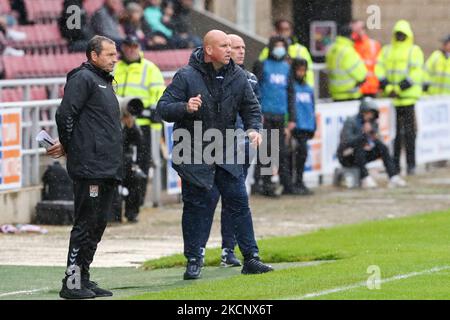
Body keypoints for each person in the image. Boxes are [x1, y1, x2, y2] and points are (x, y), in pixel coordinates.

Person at [156, 29, 274, 280]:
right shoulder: (186, 76)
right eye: (224, 46)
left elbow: (251, 108)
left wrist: (254, 128)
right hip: (193, 149)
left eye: (230, 46)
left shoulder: (239, 76)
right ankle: (193, 259)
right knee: (196, 206)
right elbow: (163, 109)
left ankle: (251, 257)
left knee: (239, 203)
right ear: (209, 50)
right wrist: (185, 107)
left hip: (226, 148)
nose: (229, 50)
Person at [48, 35, 122, 299]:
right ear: (93, 55)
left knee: (98, 224)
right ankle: (72, 282)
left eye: (116, 54)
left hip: (107, 167)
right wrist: (70, 146)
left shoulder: (103, 81)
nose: (115, 58)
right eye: (110, 54)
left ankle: (84, 277)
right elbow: (65, 114)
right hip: (90, 166)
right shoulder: (83, 79)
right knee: (85, 223)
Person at [199, 34, 261, 268]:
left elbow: (255, 109)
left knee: (235, 200)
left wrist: (253, 132)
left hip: (240, 147)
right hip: (215, 145)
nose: (240, 51)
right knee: (209, 198)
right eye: (234, 47)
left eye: (243, 47)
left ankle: (228, 250)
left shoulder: (250, 79)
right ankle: (199, 251)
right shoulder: (212, 77)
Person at [114, 35, 166, 210]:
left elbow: (160, 97)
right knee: (119, 162)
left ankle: (136, 203)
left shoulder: (150, 69)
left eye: (134, 46)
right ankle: (117, 202)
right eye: (127, 46)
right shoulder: (116, 68)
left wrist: (146, 113)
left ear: (139, 47)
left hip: (143, 124)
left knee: (142, 164)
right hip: (120, 123)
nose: (130, 49)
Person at [375, 20, 424, 175]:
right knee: (394, 134)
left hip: (408, 99)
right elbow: (379, 69)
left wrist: (398, 88)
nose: (400, 36)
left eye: (402, 34)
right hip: (392, 100)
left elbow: (416, 73)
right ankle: (394, 164)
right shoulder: (387, 50)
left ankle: (411, 164)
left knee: (409, 134)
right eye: (398, 34)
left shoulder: (414, 50)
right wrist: (388, 87)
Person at [253, 36, 296, 196]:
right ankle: (265, 183)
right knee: (266, 149)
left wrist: (292, 118)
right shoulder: (262, 65)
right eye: (276, 46)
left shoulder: (287, 67)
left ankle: (284, 183)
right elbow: (255, 90)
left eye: (282, 46)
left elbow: (291, 93)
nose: (280, 48)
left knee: (281, 151)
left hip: (281, 114)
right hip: (265, 113)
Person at [337, 98, 407, 189]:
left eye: (372, 113)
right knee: (359, 148)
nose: (371, 116)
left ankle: (393, 176)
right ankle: (365, 178)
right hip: (347, 155)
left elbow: (374, 140)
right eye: (369, 113)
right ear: (363, 112)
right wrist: (363, 134)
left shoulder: (372, 123)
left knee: (382, 147)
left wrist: (373, 136)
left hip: (363, 154)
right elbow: (346, 141)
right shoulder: (351, 121)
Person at [258, 19, 314, 87]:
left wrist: (307, 88)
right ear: (276, 31)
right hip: (276, 88)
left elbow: (308, 71)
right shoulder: (267, 50)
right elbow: (260, 70)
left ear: (291, 31)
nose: (283, 32)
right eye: (281, 29)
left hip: (296, 87)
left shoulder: (301, 50)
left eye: (286, 29)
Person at [288, 58, 316, 195]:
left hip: (305, 127)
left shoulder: (308, 88)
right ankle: (291, 182)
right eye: (298, 70)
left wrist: (313, 126)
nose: (301, 73)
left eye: (303, 70)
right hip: (294, 127)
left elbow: (312, 109)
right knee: (291, 156)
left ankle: (299, 180)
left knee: (302, 155)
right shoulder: (291, 88)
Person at [326, 25, 367, 101]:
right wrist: (363, 78)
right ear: (351, 35)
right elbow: (361, 75)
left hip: (335, 93)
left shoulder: (332, 49)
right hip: (349, 93)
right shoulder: (348, 51)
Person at [351, 19, 381, 98]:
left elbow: (380, 66)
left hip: (372, 88)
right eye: (355, 30)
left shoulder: (374, 44)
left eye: (359, 29)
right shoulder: (351, 46)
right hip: (357, 89)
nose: (357, 32)